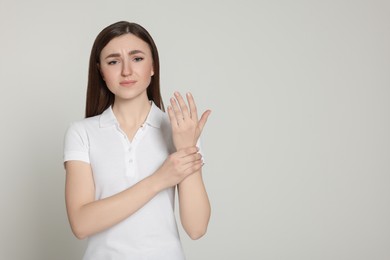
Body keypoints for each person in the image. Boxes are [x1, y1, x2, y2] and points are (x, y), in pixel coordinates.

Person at [63, 21, 211, 260]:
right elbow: (81, 223)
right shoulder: (81, 133)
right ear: (101, 70)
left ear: (153, 66)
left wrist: (187, 148)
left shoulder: (180, 131)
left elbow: (196, 228)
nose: (126, 71)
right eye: (113, 61)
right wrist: (160, 179)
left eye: (137, 59)